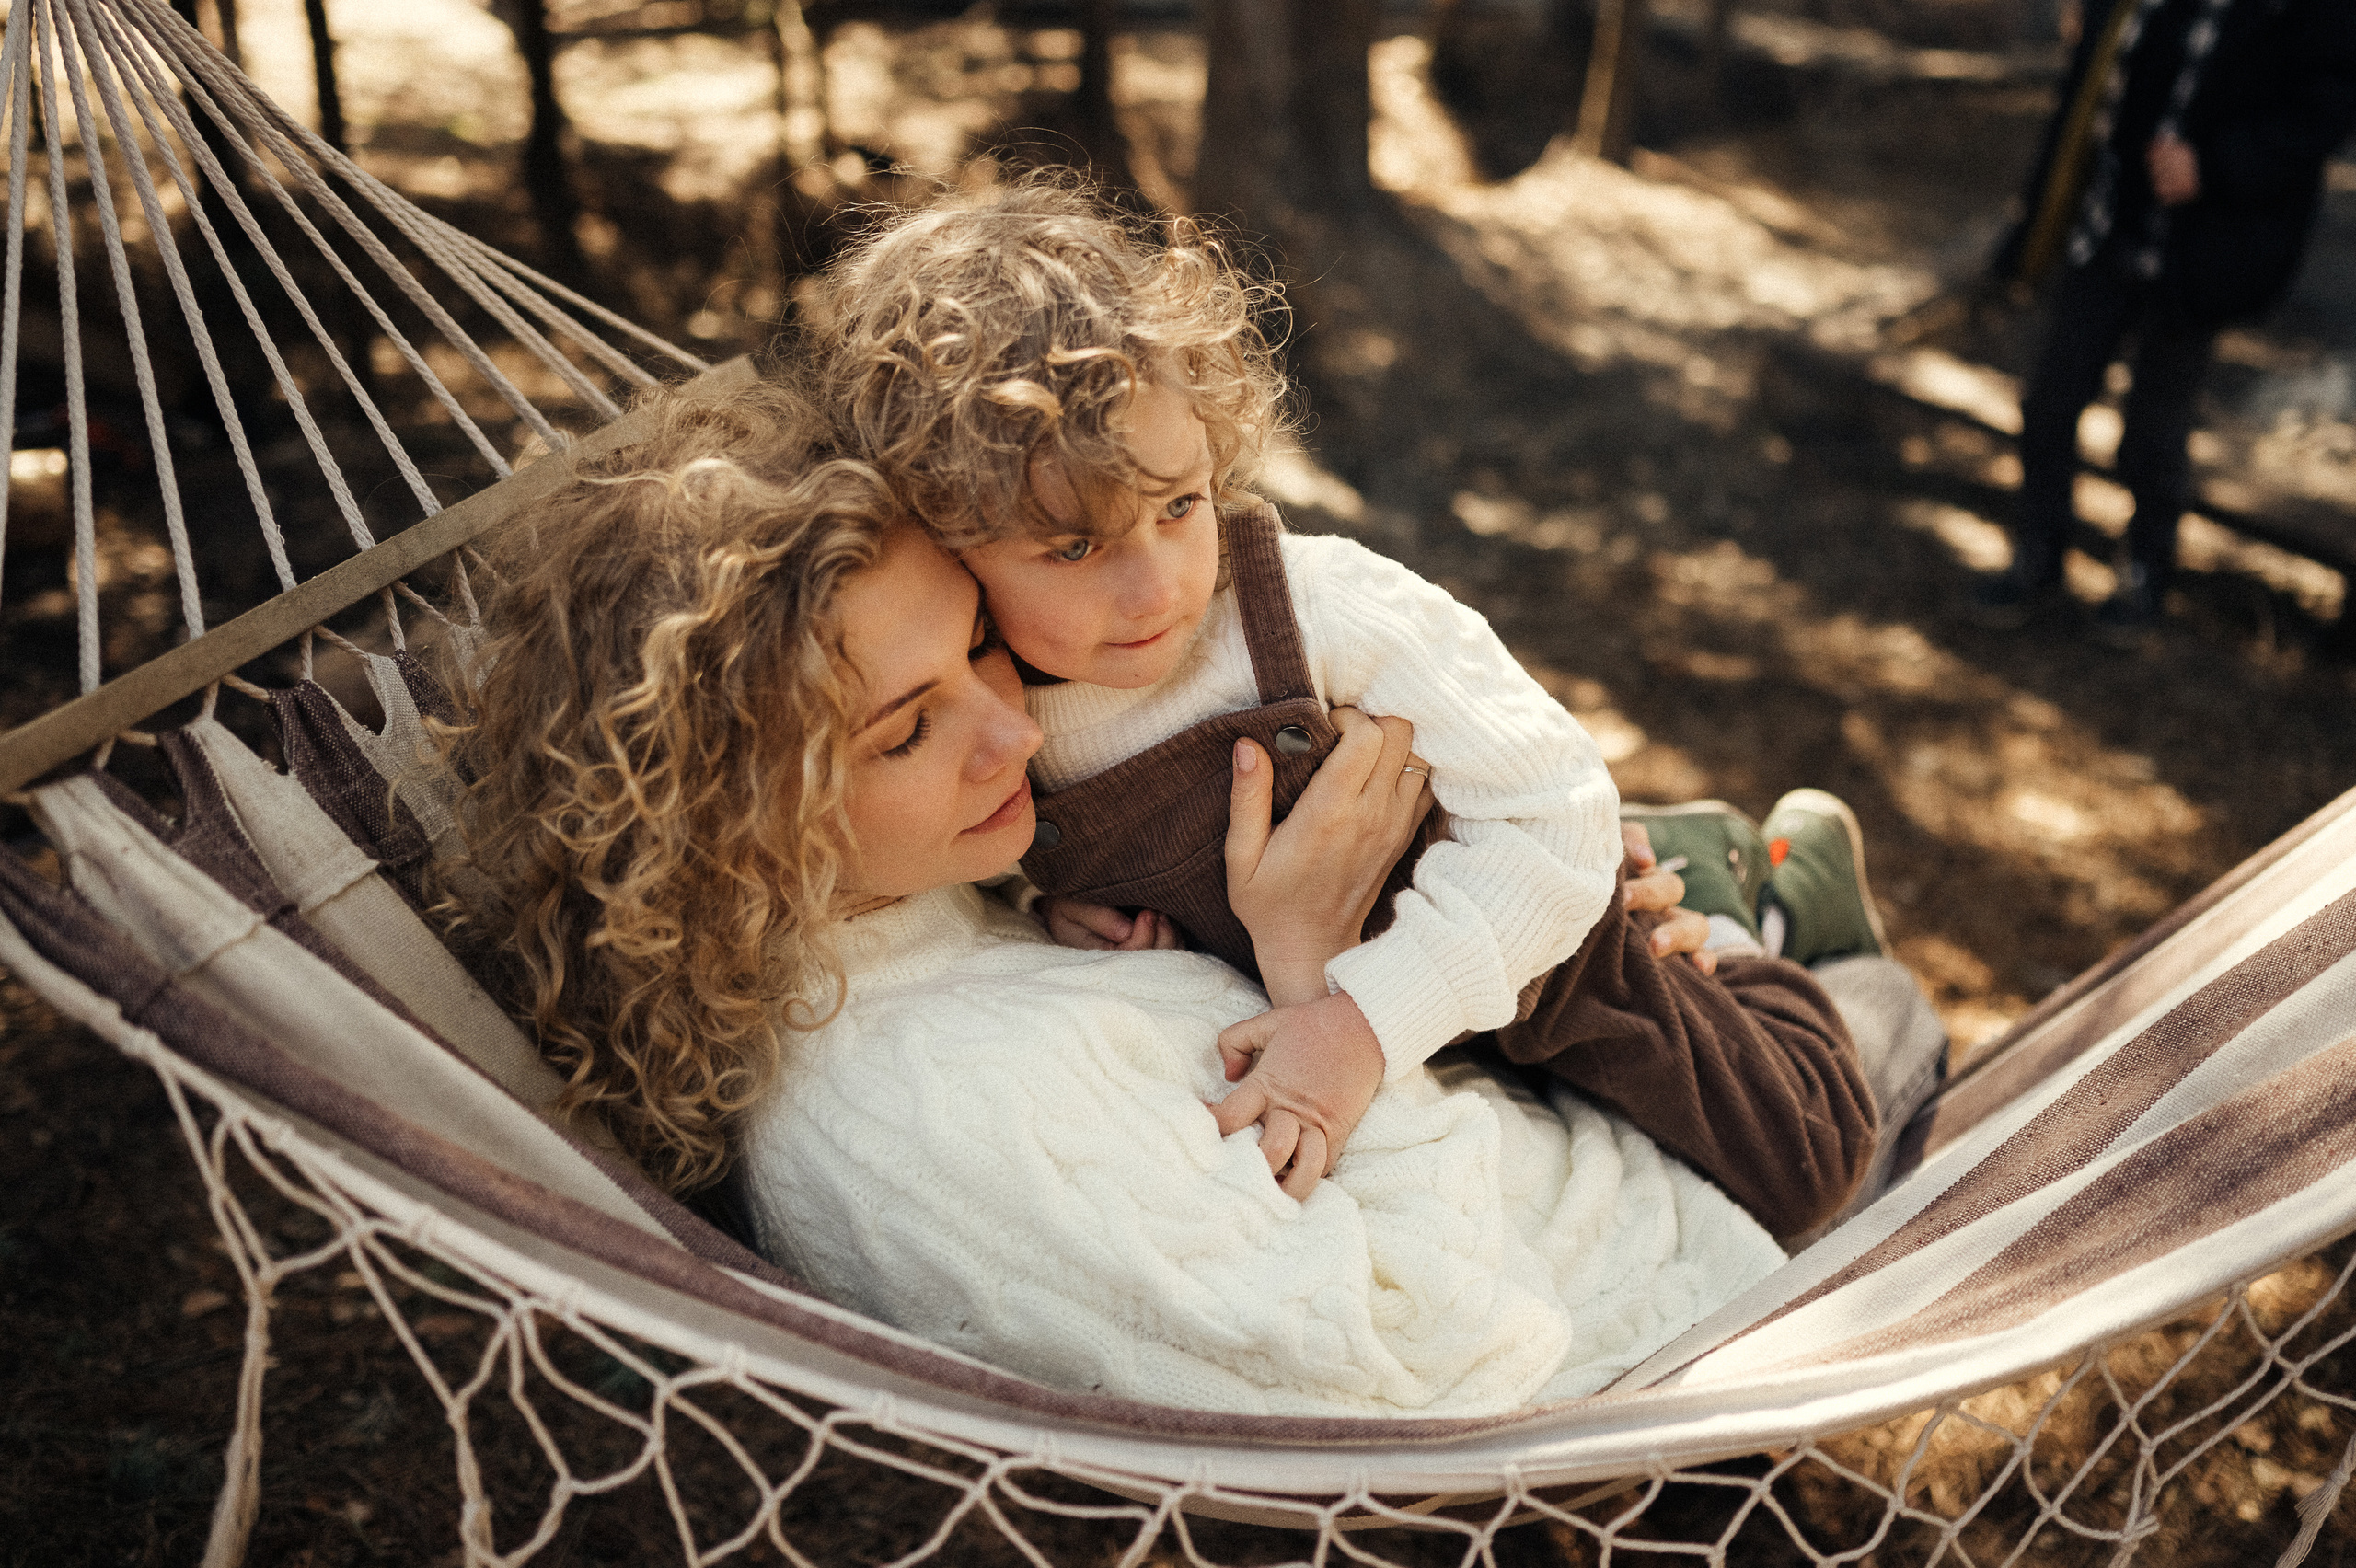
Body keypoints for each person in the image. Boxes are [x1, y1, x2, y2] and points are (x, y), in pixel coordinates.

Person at [440, 378, 1792, 1417]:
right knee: (1822, 997)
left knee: (1675, 906)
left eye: (982, 648)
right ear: (732, 827)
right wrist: (1310, 972)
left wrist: (1530, 945)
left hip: (1599, 1106)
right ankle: (1772, 921)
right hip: (1681, 1276)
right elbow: (1414, 1366)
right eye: (907, 731)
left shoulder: (922, 909)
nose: (1016, 732)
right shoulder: (928, 1121)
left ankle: (1739, 904)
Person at [808, 179, 1922, 1239]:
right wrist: (1050, 901)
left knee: (1801, 1159)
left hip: (1534, 947)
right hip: (1412, 1024)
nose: (1155, 589)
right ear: (948, 539)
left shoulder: (1317, 610)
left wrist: (1356, 1027)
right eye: (1072, 547)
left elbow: (1552, 806)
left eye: (1178, 505)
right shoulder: (982, 705)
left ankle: (1761, 913)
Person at [1978, 0, 2356, 641]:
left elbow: (2321, 115)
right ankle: (2037, 557)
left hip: (2202, 255)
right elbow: (2085, 102)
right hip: (2105, 233)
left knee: (2152, 432)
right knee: (2049, 404)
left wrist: (2215, 166)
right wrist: (2033, 228)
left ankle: (2144, 574)